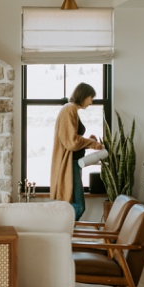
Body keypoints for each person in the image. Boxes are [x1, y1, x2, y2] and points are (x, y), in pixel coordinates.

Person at [49, 82, 103, 221]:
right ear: (83, 96)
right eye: (91, 98)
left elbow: (71, 139)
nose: (91, 102)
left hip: (74, 162)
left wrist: (87, 142)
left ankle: (65, 235)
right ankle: (62, 234)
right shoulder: (70, 109)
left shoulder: (70, 109)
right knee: (78, 206)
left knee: (73, 205)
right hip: (70, 163)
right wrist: (92, 143)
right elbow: (71, 142)